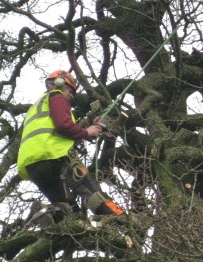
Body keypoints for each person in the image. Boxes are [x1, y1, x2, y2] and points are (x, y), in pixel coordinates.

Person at [17, 70, 123, 221]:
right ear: (60, 83)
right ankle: (121, 219)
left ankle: (50, 216)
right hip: (54, 157)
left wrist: (85, 129)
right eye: (70, 91)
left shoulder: (36, 107)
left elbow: (57, 131)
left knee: (68, 210)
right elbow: (63, 125)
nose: (71, 96)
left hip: (33, 167)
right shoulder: (56, 96)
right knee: (91, 190)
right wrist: (86, 132)